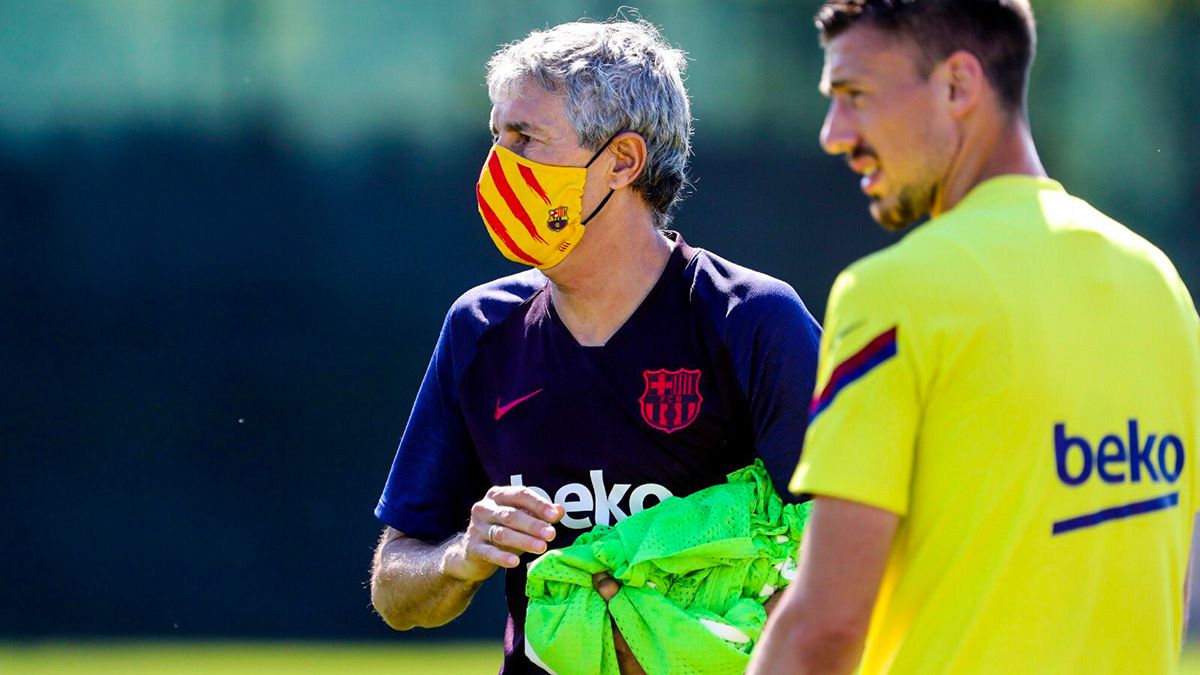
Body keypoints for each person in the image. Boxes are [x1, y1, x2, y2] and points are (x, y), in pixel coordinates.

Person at [748, 1, 1200, 674]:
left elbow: (826, 627)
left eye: (855, 96)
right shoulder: (1158, 283)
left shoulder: (892, 295)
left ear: (958, 86)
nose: (834, 134)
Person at [368, 18, 822, 674]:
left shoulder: (751, 320)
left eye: (525, 139)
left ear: (623, 161)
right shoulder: (481, 327)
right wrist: (462, 553)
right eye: (497, 137)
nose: (499, 167)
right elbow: (395, 589)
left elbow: (848, 557)